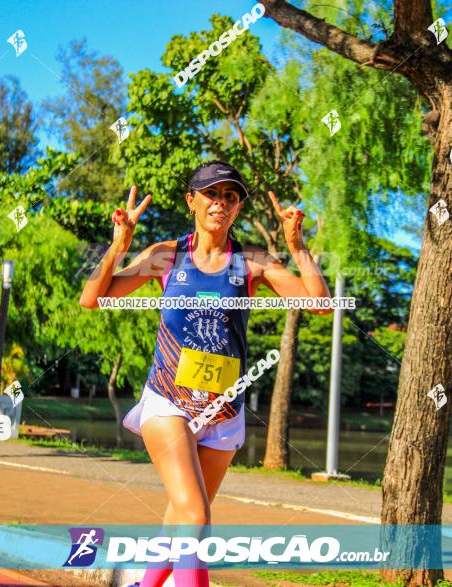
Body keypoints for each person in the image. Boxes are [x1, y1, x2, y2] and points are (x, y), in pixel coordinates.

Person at [80, 161, 332, 586]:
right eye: (211, 193)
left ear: (237, 207)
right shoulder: (165, 255)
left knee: (180, 520)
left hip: (222, 409)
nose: (221, 202)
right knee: (197, 517)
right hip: (168, 401)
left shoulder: (252, 262)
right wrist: (119, 245)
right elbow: (92, 298)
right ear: (191, 201)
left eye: (230, 196)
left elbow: (320, 305)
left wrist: (297, 246)